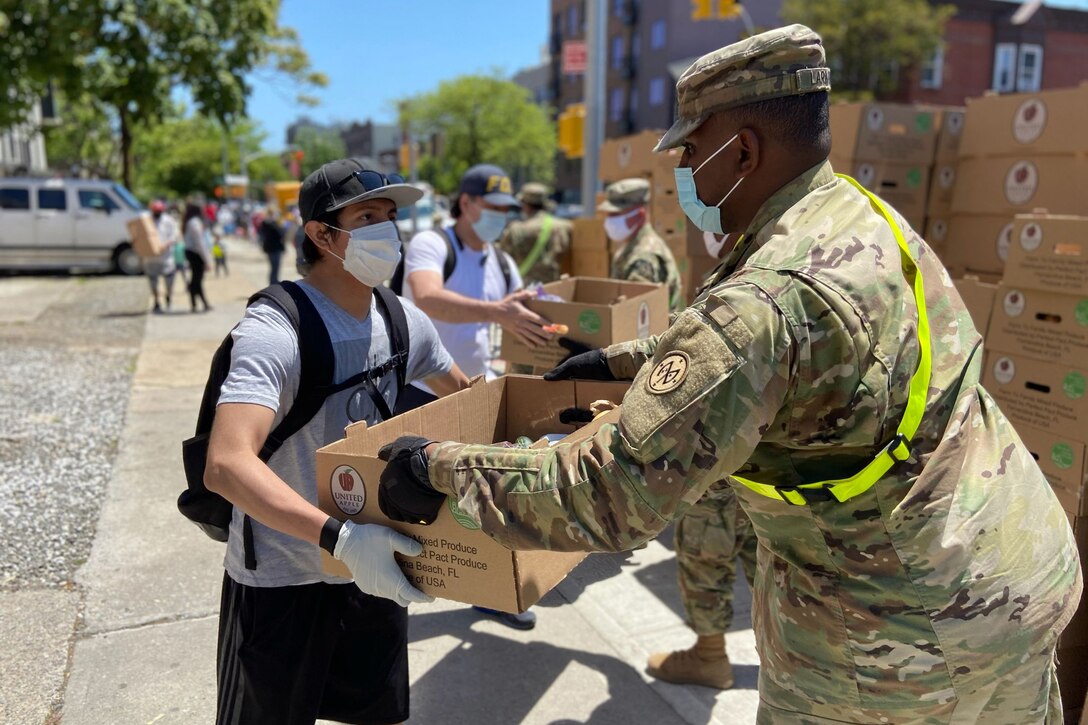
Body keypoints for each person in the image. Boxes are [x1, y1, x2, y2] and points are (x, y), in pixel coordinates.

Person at [375, 25, 1082, 723]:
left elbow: (610, 493)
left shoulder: (760, 296)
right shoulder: (864, 221)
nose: (680, 170)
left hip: (893, 642)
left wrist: (438, 465)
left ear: (741, 149)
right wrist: (622, 362)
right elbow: (811, 352)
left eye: (688, 148)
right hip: (1015, 576)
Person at [204, 159, 470, 725]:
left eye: (392, 218)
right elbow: (226, 465)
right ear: (322, 234)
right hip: (283, 573)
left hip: (374, 564)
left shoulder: (402, 320)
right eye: (368, 216)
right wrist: (341, 538)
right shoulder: (276, 330)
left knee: (375, 713)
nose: (389, 233)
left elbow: (467, 399)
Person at [400, 164, 550, 630]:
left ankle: (492, 593)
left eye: (509, 210)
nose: (503, 218)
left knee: (486, 495)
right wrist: (497, 311)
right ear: (466, 204)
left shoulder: (501, 261)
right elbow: (427, 298)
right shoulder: (433, 245)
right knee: (408, 500)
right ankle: (394, 592)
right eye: (495, 208)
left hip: (473, 392)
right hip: (419, 391)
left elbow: (505, 318)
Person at [600, 178, 683, 314]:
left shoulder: (643, 258)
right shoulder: (633, 246)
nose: (610, 219)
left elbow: (637, 316)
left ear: (639, 214)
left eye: (616, 214)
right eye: (609, 214)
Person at [499, 182, 572, 286]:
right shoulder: (564, 227)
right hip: (553, 289)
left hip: (524, 291)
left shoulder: (516, 229)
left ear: (525, 205)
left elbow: (502, 259)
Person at [144, 199, 180, 313]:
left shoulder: (168, 220)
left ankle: (168, 297)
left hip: (166, 257)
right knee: (153, 281)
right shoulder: (146, 220)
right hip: (150, 258)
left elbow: (175, 235)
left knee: (169, 280)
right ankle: (156, 302)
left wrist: (166, 244)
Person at [182, 202, 212, 313]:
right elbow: (200, 243)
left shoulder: (189, 222)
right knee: (196, 280)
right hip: (196, 254)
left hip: (191, 252)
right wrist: (207, 260)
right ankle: (197, 303)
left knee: (196, 280)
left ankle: (200, 303)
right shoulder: (195, 223)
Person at [259, 206, 286, 285]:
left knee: (273, 266)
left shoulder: (265, 223)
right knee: (275, 266)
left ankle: (273, 281)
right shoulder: (272, 223)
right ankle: (273, 282)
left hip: (270, 248)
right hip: (274, 248)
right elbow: (281, 233)